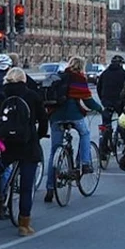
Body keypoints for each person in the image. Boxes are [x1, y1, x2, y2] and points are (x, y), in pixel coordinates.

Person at [0, 68, 48, 236]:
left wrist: (0, 133)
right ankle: (23, 224)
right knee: (26, 187)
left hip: (7, 144)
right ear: (23, 80)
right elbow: (43, 119)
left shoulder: (2, 95)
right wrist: (40, 135)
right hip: (27, 144)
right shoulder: (32, 95)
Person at [44, 56, 103, 203]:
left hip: (55, 117)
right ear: (81, 66)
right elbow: (88, 100)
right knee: (85, 133)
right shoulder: (78, 79)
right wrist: (100, 109)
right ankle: (85, 162)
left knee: (54, 150)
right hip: (74, 115)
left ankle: (50, 188)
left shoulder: (59, 77)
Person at [96, 55, 125, 170]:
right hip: (120, 103)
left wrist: (103, 100)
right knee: (123, 121)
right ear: (121, 64)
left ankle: (104, 146)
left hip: (107, 102)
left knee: (106, 124)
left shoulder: (104, 74)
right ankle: (124, 142)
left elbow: (99, 87)